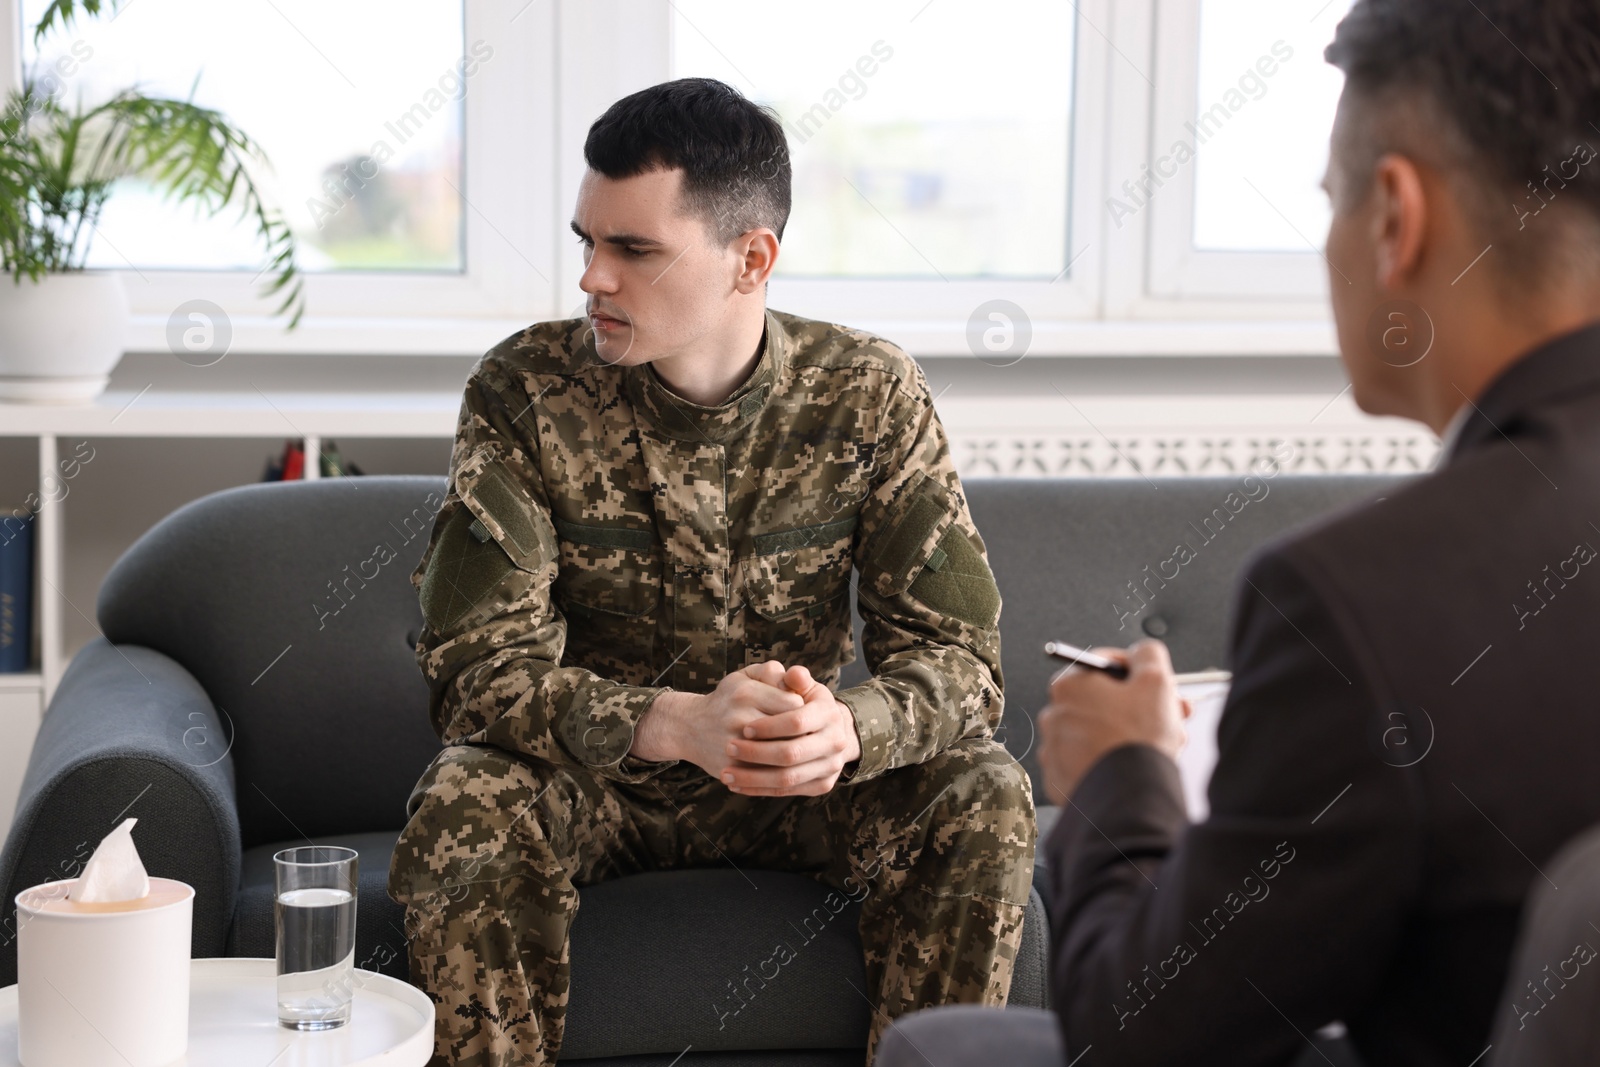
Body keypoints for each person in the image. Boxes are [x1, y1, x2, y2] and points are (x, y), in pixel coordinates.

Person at [876, 0, 1600, 1064]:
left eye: (1328, 204)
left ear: (1395, 217)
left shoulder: (1360, 599)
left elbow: (1143, 1036)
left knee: (943, 1045)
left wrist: (1122, 774)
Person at [386, 77, 1036, 1067]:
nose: (592, 278)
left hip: (803, 785)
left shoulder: (867, 394)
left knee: (980, 787)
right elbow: (472, 672)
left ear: (752, 258)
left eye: (633, 249)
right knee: (465, 797)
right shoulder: (523, 390)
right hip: (601, 783)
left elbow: (962, 665)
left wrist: (846, 728)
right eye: (585, 241)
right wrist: (673, 722)